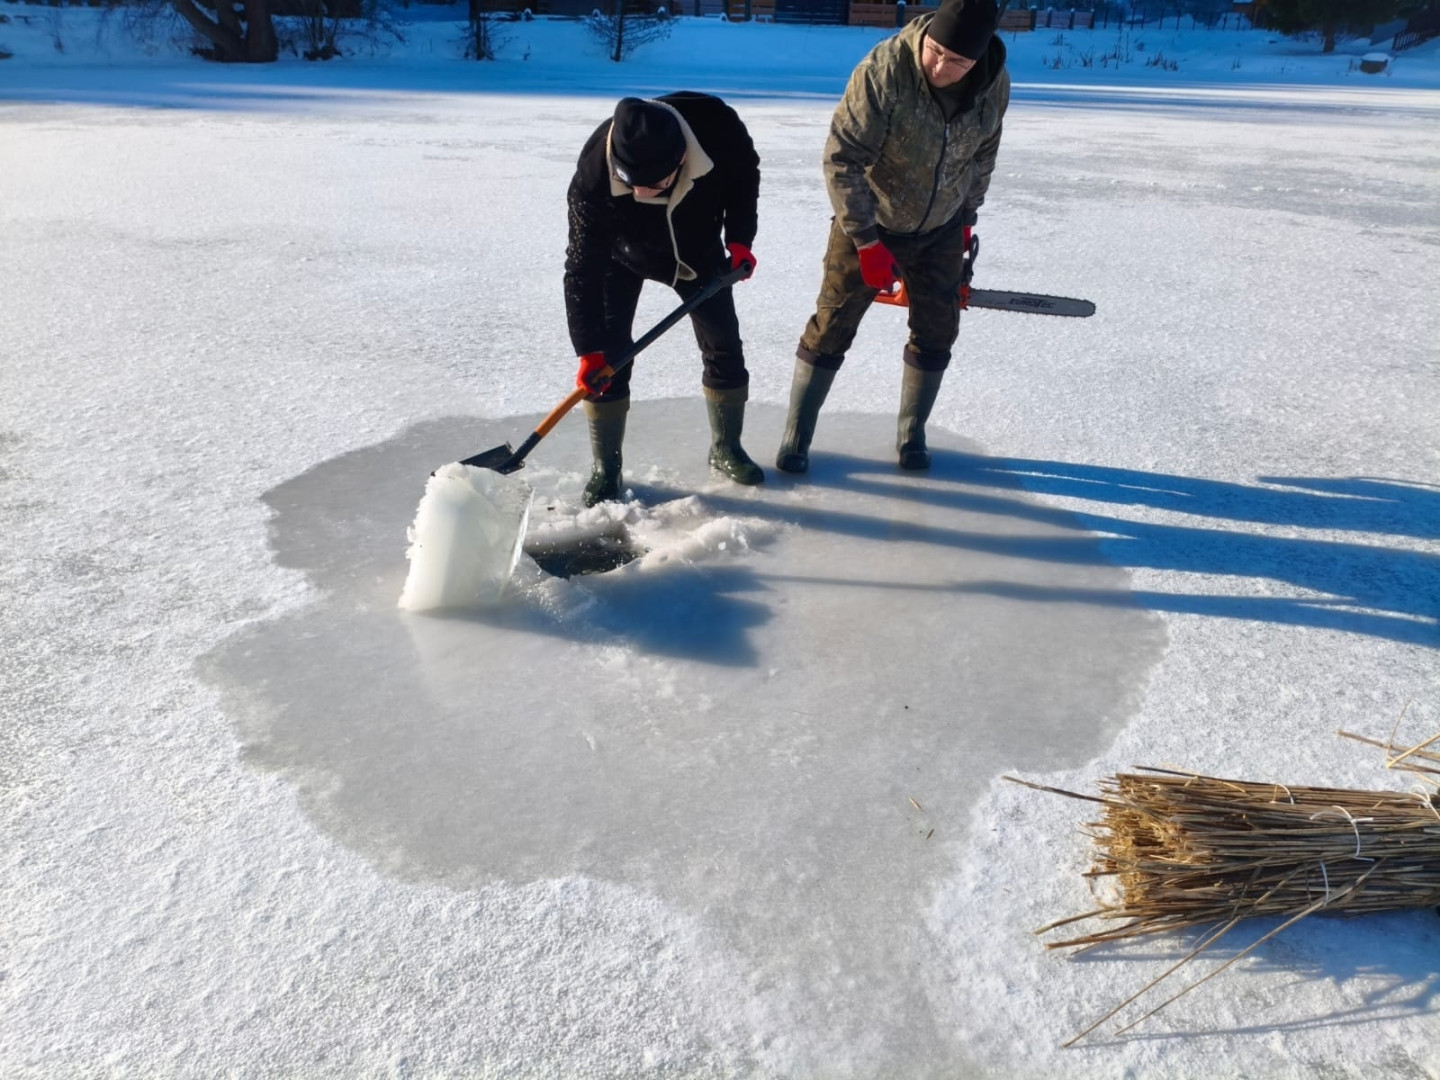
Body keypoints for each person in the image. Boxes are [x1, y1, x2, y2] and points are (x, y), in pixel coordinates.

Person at [777, 0, 1009, 474]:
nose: (940, 67)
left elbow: (984, 153)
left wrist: (967, 215)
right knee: (832, 323)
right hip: (871, 218)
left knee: (938, 329)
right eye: (935, 51)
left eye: (956, 61)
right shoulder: (884, 72)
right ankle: (796, 435)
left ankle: (911, 433)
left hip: (942, 224)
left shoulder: (993, 84)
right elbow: (842, 159)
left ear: (978, 59)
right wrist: (866, 241)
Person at [564, 92, 764, 507]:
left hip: (696, 249)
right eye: (629, 183)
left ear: (681, 159)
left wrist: (740, 238)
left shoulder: (716, 127)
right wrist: (588, 350)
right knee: (609, 360)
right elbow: (581, 269)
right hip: (621, 255)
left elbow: (744, 176)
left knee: (724, 344)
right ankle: (607, 468)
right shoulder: (593, 175)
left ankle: (726, 448)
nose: (639, 192)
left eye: (652, 184)